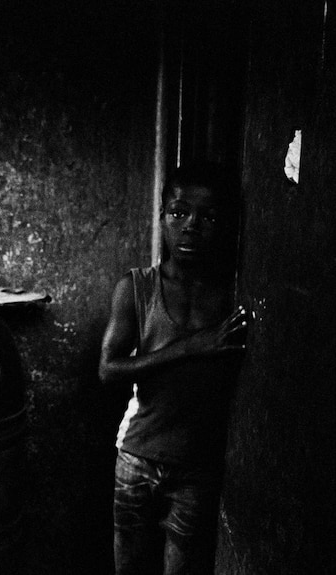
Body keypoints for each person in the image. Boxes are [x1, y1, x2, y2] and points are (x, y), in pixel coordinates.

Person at [99, 164, 248, 575]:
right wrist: (192, 347)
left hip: (197, 466)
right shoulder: (136, 288)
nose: (191, 227)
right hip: (137, 455)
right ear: (162, 217)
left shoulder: (233, 295)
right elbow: (108, 370)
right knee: (128, 565)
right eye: (179, 213)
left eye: (209, 218)